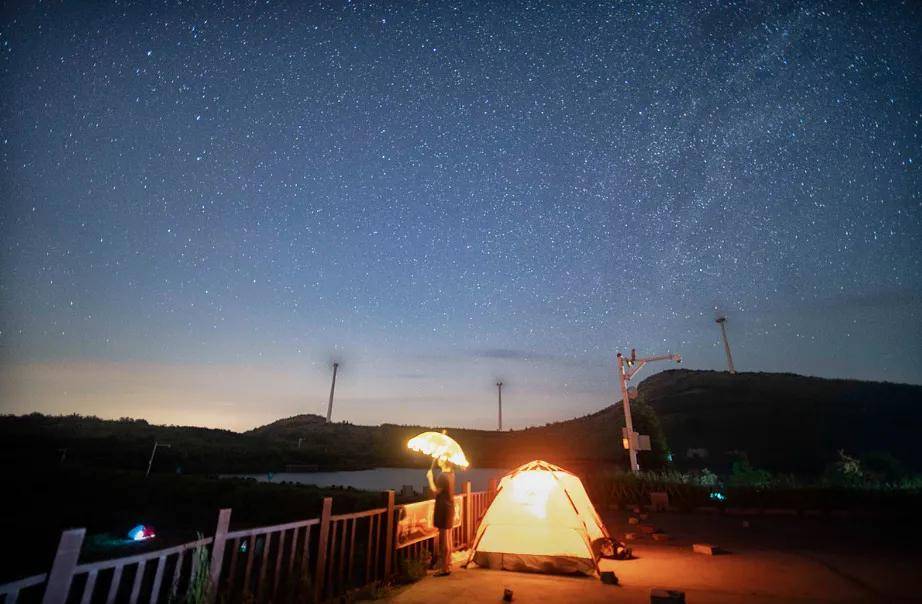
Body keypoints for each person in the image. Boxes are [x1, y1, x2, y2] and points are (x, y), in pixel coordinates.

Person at [427, 458, 456, 576]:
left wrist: (430, 478)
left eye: (442, 457)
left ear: (445, 462)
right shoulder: (451, 474)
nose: (439, 459)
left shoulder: (442, 476)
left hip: (443, 509)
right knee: (448, 537)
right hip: (449, 508)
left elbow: (436, 491)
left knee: (444, 539)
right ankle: (448, 564)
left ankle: (444, 569)